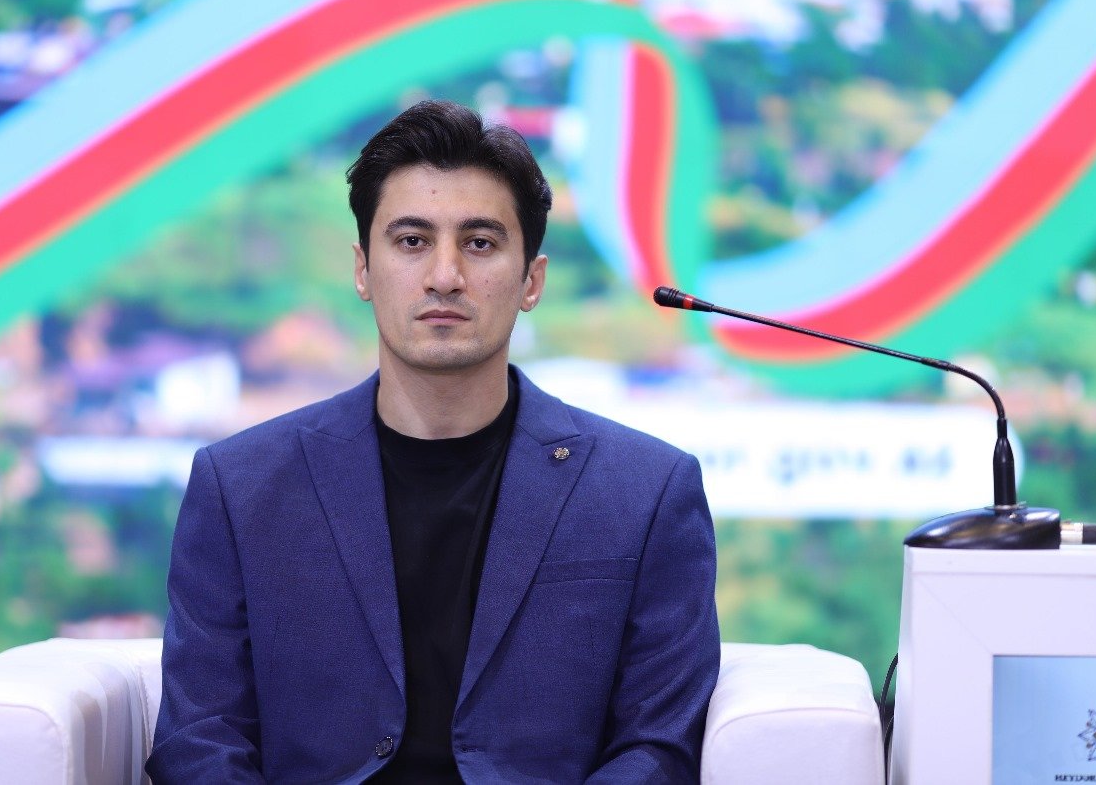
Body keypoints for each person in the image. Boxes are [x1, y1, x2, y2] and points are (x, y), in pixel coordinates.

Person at [146, 99, 719, 784]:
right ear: (363, 270)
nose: (445, 275)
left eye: (479, 244)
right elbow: (199, 737)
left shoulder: (646, 492)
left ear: (531, 280)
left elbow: (659, 747)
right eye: (412, 241)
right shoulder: (239, 486)